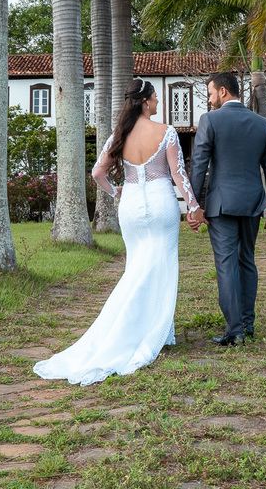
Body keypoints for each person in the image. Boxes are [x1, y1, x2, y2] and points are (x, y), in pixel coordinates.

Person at [34, 78, 200, 384]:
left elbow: (97, 172)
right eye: (155, 99)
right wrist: (192, 205)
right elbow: (178, 174)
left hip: (131, 206)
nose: (158, 103)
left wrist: (116, 193)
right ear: (147, 100)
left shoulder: (119, 135)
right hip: (162, 203)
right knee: (161, 266)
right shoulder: (166, 132)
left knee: (137, 267)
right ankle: (154, 331)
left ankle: (155, 329)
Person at [187, 71, 266, 346]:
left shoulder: (210, 120)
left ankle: (235, 331)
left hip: (221, 205)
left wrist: (194, 206)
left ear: (224, 91)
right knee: (247, 262)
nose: (210, 99)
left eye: (211, 93)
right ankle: (248, 326)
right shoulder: (262, 124)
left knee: (226, 265)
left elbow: (199, 165)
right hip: (253, 203)